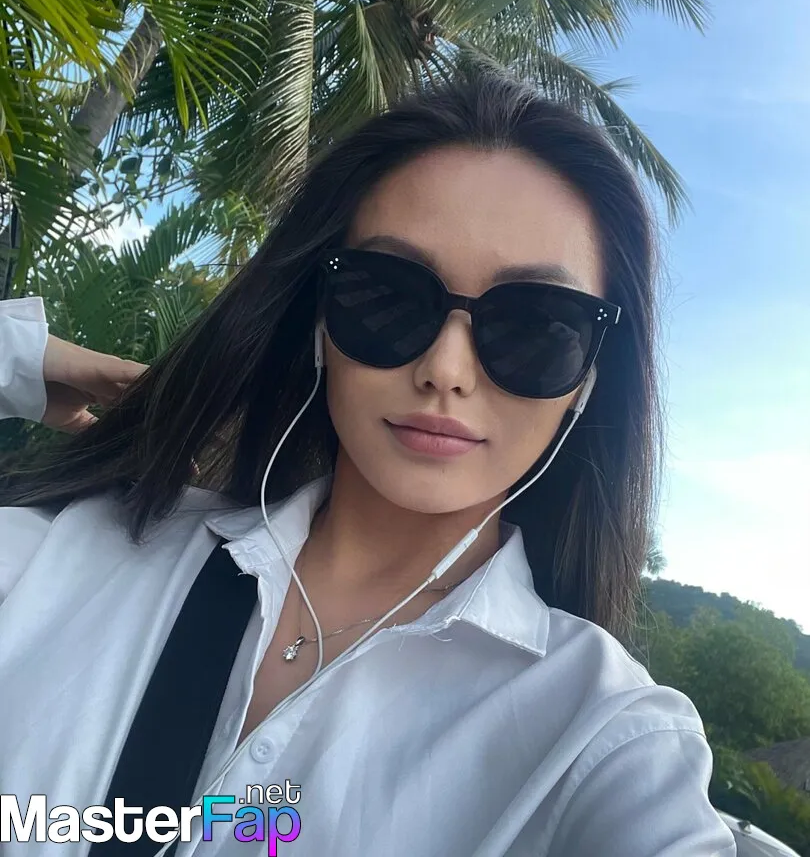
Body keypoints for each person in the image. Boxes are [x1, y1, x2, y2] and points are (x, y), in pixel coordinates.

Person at [0, 73, 736, 856]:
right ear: (320, 321)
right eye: (389, 296)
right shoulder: (69, 555)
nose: (445, 370)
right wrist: (25, 360)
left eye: (534, 325)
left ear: (590, 376)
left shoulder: (601, 738)